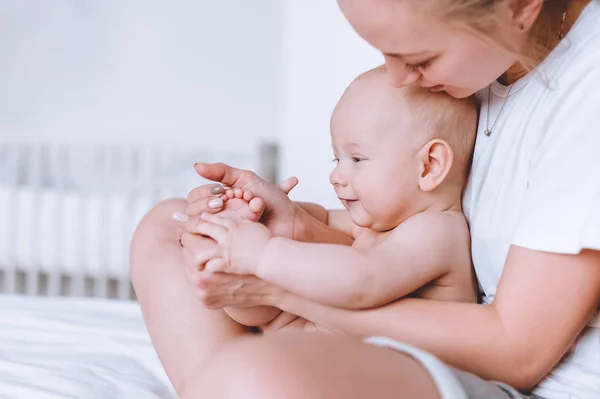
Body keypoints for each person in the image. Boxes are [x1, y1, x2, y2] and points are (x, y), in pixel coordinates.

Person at [130, 0, 600, 398]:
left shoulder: (586, 93)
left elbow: (517, 352)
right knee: (170, 227)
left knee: (254, 375)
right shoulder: (484, 68)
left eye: (419, 58)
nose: (400, 80)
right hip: (389, 323)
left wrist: (272, 278)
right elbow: (377, 250)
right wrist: (282, 222)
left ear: (519, 7)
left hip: (495, 376)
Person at [175, 66, 477, 334]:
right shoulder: (381, 224)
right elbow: (318, 220)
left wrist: (263, 252)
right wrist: (259, 216)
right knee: (257, 301)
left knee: (274, 282)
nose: (336, 176)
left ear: (430, 166)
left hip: (396, 381)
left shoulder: (436, 231)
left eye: (357, 158)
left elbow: (364, 279)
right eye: (337, 158)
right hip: (327, 352)